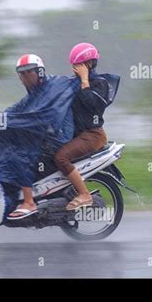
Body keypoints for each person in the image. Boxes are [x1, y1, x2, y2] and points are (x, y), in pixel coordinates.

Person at [0, 53, 79, 225]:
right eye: (21, 73)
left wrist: (5, 123)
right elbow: (13, 111)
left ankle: (29, 202)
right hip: (44, 136)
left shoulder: (51, 89)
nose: (25, 77)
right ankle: (12, 195)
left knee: (18, 154)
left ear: (40, 72)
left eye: (29, 72)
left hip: (58, 138)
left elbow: (39, 116)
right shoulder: (34, 94)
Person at [54, 43, 110, 210]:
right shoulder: (74, 84)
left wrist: (85, 80)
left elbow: (93, 106)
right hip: (77, 135)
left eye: (78, 65)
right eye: (73, 65)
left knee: (61, 158)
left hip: (93, 135)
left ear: (89, 64)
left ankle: (85, 194)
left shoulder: (100, 83)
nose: (75, 69)